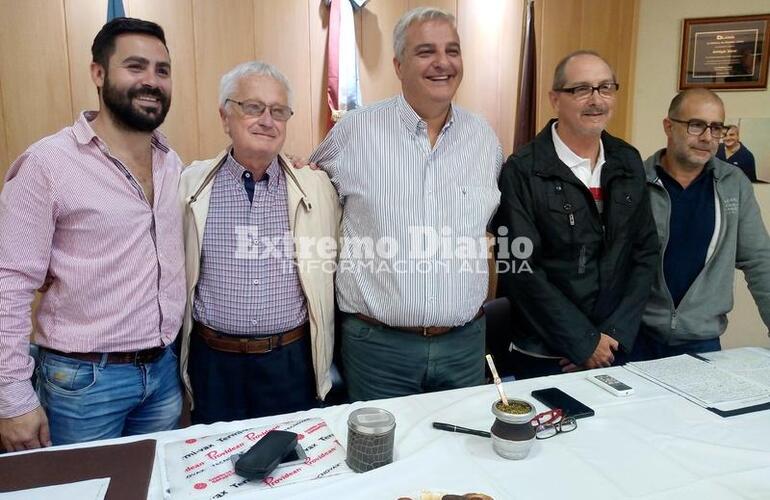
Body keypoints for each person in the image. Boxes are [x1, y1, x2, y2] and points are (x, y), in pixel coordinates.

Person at [0, 17, 185, 450]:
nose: (151, 81)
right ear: (98, 73)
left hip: (163, 373)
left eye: (162, 70)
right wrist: (11, 397)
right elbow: (8, 283)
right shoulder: (48, 164)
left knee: (156, 481)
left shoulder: (171, 162)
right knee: (84, 484)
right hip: (82, 384)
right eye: (135, 66)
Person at [309, 7, 502, 401]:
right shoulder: (354, 132)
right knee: (379, 442)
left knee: (464, 439)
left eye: (452, 50)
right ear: (398, 65)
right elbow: (308, 190)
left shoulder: (484, 139)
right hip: (379, 350)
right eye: (426, 51)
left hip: (464, 346)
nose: (443, 62)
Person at [179, 61, 341, 424]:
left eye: (278, 111)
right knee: (217, 454)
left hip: (290, 362)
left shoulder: (316, 186)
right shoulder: (190, 185)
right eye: (253, 107)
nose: (267, 120)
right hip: (214, 364)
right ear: (225, 117)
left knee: (292, 455)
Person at [492, 50, 658, 379]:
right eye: (581, 89)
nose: (596, 100)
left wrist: (610, 335)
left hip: (612, 348)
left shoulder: (627, 161)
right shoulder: (523, 170)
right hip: (544, 353)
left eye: (605, 88)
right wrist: (583, 343)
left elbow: (645, 252)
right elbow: (519, 268)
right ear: (555, 99)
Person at [637, 88, 770, 359]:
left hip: (701, 342)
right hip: (634, 336)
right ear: (669, 126)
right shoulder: (636, 180)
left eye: (716, 128)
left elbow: (759, 260)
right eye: (696, 125)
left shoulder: (734, 184)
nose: (708, 137)